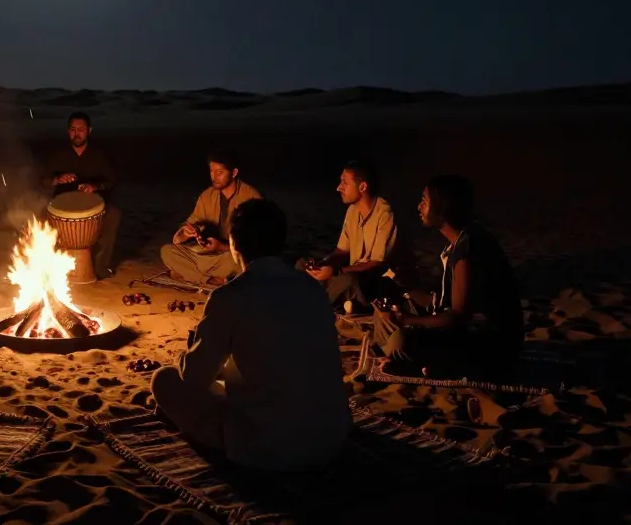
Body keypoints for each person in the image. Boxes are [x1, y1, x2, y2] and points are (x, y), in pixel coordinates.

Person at [151, 199, 351, 471]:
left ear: (233, 243)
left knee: (164, 379)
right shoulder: (311, 288)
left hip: (267, 446)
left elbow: (195, 377)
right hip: (331, 439)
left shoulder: (229, 296)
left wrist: (190, 350)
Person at [371, 175, 523, 379]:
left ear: (442, 208)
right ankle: (413, 361)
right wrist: (406, 287)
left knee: (400, 340)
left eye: (424, 201)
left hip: (490, 346)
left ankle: (423, 364)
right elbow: (441, 305)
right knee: (383, 316)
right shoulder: (458, 244)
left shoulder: (468, 250)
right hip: (467, 333)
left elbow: (458, 317)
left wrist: (406, 320)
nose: (419, 206)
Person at [300, 161, 414, 311]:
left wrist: (335, 271)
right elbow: (341, 251)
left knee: (346, 280)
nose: (338, 187)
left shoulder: (385, 214)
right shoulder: (352, 211)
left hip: (380, 282)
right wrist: (322, 264)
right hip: (355, 278)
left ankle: (308, 305)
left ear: (362, 187)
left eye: (344, 182)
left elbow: (376, 264)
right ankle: (311, 300)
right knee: (302, 265)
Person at [161, 150, 262, 288]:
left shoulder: (251, 198)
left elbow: (258, 244)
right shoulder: (207, 196)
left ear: (233, 173)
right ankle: (213, 280)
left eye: (219, 172)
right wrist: (187, 232)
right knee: (167, 251)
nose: (214, 177)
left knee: (243, 262)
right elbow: (191, 223)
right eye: (211, 172)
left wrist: (222, 247)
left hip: (231, 257)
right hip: (209, 256)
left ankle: (193, 274)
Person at [41, 111, 122, 277]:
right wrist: (57, 179)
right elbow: (43, 180)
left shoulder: (99, 154)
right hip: (62, 207)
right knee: (39, 215)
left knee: (114, 214)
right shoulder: (58, 155)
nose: (76, 133)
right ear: (68, 131)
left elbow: (112, 180)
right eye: (73, 129)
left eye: (81, 129)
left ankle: (101, 265)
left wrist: (95, 185)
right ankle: (49, 266)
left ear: (89, 131)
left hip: (95, 205)